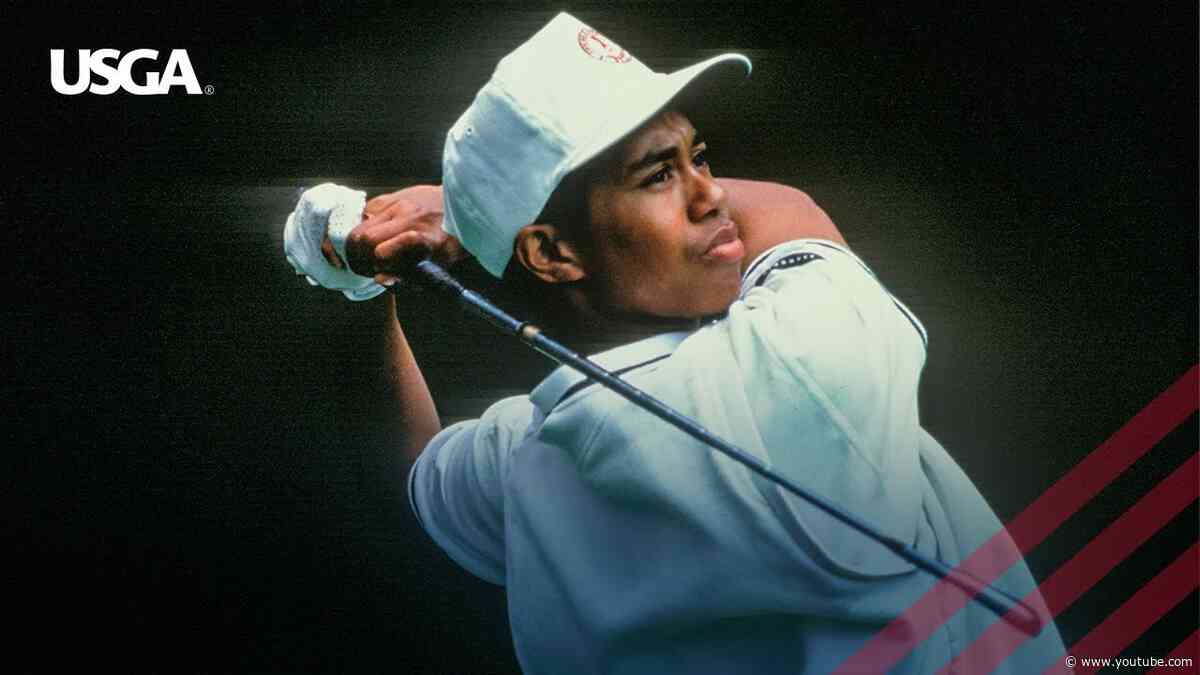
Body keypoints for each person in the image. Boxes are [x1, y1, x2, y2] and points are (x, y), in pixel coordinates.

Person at [283, 12, 1066, 674]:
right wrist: (459, 215)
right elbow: (790, 213)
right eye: (658, 174)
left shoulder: (524, 464)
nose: (711, 192)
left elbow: (415, 469)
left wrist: (355, 277)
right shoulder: (798, 362)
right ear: (551, 253)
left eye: (700, 156)